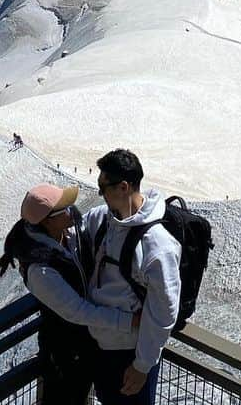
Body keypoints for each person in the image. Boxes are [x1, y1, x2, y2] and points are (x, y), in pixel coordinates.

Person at [0, 183, 138, 405]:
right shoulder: (39, 269)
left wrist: (131, 202)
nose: (72, 209)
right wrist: (128, 322)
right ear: (48, 221)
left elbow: (101, 215)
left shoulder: (68, 232)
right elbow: (78, 312)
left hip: (85, 345)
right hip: (65, 355)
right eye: (64, 207)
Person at [82, 150, 182, 404]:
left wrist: (142, 365)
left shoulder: (158, 246)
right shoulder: (106, 219)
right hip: (103, 346)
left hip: (129, 356)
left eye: (103, 187)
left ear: (123, 187)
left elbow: (163, 312)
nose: (100, 194)